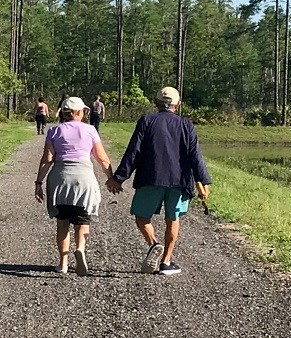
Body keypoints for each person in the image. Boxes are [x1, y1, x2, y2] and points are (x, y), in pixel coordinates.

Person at [105, 86, 211, 276]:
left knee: (142, 218)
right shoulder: (186, 124)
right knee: (173, 218)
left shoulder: (147, 121)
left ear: (156, 103)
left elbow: (134, 152)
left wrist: (119, 178)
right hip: (179, 181)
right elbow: (195, 155)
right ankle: (166, 262)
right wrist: (203, 181)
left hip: (150, 177)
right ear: (177, 105)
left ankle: (154, 244)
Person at [34, 97, 114, 276]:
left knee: (62, 223)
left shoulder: (54, 131)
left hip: (60, 178)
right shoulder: (90, 130)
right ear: (79, 112)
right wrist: (111, 178)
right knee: (82, 220)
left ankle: (63, 263)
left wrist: (38, 183)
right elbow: (102, 158)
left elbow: (47, 159)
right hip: (83, 178)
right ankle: (80, 249)